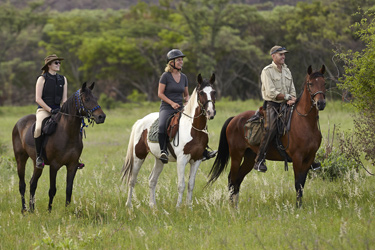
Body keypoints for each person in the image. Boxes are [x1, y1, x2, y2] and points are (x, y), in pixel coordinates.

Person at [157, 49, 217, 164]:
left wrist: (187, 102)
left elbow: (186, 95)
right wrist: (171, 103)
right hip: (167, 107)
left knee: (198, 124)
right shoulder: (165, 76)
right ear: (171, 62)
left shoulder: (183, 77)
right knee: (162, 126)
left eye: (181, 60)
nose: (181, 62)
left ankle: (204, 150)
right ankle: (163, 151)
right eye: (178, 60)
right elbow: (160, 93)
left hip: (180, 107)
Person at [253, 46, 297, 172]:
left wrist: (293, 98)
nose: (283, 56)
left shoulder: (287, 71)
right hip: (273, 105)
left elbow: (292, 89)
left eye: (284, 54)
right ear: (273, 56)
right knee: (271, 128)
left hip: (287, 104)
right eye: (280, 54)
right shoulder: (267, 71)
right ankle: (259, 159)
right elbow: (271, 92)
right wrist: (287, 96)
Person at [34, 54, 70, 169]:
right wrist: (50, 110)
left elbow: (64, 99)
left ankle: (73, 156)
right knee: (38, 128)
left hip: (58, 110)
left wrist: (64, 110)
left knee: (72, 126)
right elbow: (38, 99)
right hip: (44, 110)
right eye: (56, 63)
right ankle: (39, 156)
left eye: (59, 62)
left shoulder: (63, 79)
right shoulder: (42, 79)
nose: (58, 64)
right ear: (49, 65)